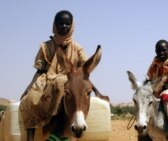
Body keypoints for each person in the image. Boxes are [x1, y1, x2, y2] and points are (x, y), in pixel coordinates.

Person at [20, 10, 109, 140]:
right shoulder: (45, 47)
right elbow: (40, 70)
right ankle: (30, 136)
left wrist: (97, 91)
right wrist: (28, 87)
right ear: (54, 25)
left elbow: (84, 75)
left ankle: (58, 132)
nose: (64, 26)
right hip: (45, 80)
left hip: (70, 80)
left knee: (63, 83)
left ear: (72, 26)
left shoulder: (77, 48)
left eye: (67, 24)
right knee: (31, 99)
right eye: (60, 23)